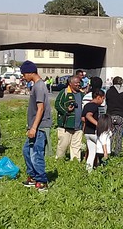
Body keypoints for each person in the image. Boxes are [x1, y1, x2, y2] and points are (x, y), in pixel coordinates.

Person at [21, 61, 52, 192]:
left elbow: (40, 109)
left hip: (40, 126)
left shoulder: (39, 87)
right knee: (26, 150)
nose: (23, 77)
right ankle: (33, 177)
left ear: (30, 72)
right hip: (35, 126)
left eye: (24, 74)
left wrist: (33, 127)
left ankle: (41, 181)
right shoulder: (36, 86)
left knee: (36, 153)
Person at [54, 76, 83, 161]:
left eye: (79, 82)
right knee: (63, 145)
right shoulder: (65, 92)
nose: (78, 84)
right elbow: (57, 104)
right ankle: (59, 161)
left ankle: (75, 162)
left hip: (78, 126)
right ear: (70, 83)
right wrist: (66, 110)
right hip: (66, 125)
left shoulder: (82, 94)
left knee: (76, 146)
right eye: (76, 83)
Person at [105, 76, 123, 156]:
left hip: (110, 115)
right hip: (121, 115)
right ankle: (117, 152)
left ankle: (108, 151)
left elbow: (107, 101)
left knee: (110, 135)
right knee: (119, 135)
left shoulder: (109, 91)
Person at [82, 89, 106, 171]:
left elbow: (83, 118)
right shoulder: (94, 106)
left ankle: (88, 170)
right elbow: (88, 116)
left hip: (87, 132)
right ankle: (104, 167)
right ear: (98, 97)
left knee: (91, 152)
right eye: (103, 98)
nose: (103, 101)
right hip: (94, 131)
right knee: (104, 148)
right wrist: (98, 124)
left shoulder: (87, 105)